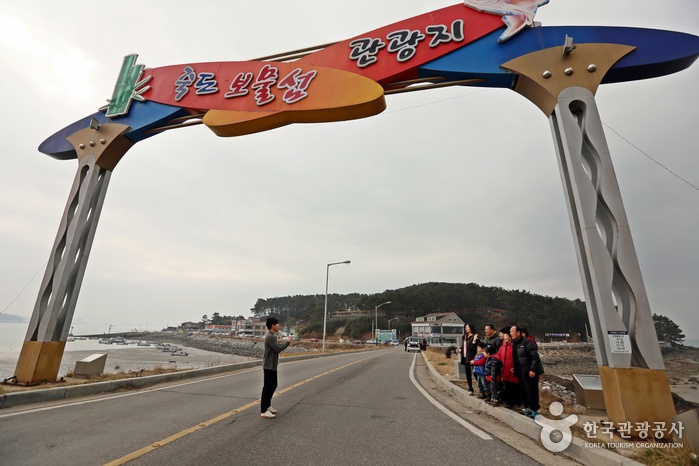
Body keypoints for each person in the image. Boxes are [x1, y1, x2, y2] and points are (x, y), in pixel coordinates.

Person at [260, 317, 293, 419]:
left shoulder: (272, 336)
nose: (278, 325)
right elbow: (278, 349)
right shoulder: (270, 337)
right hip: (268, 366)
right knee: (267, 387)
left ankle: (268, 405)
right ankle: (263, 410)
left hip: (272, 366)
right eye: (277, 324)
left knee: (273, 385)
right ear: (272, 325)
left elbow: (276, 347)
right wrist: (288, 342)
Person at [511, 325, 543, 418]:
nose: (511, 334)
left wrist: (533, 369)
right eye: (510, 332)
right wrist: (514, 368)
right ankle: (527, 408)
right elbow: (516, 358)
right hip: (520, 372)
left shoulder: (527, 342)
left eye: (512, 332)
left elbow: (535, 357)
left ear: (518, 332)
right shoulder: (514, 343)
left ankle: (535, 409)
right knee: (523, 391)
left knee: (531, 391)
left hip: (530, 372)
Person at [496, 326, 520, 409]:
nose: (504, 337)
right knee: (506, 386)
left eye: (506, 336)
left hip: (512, 370)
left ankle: (514, 403)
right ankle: (508, 402)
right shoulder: (502, 347)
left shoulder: (514, 346)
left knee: (513, 387)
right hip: (504, 370)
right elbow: (498, 356)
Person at [460, 324, 479, 395]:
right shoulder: (464, 336)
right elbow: (463, 346)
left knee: (476, 373)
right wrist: (460, 349)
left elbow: (473, 348)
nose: (466, 329)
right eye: (466, 327)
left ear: (471, 328)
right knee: (468, 374)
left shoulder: (475, 336)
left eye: (468, 327)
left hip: (472, 357)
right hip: (465, 357)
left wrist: (474, 340)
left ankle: (481, 387)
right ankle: (470, 388)